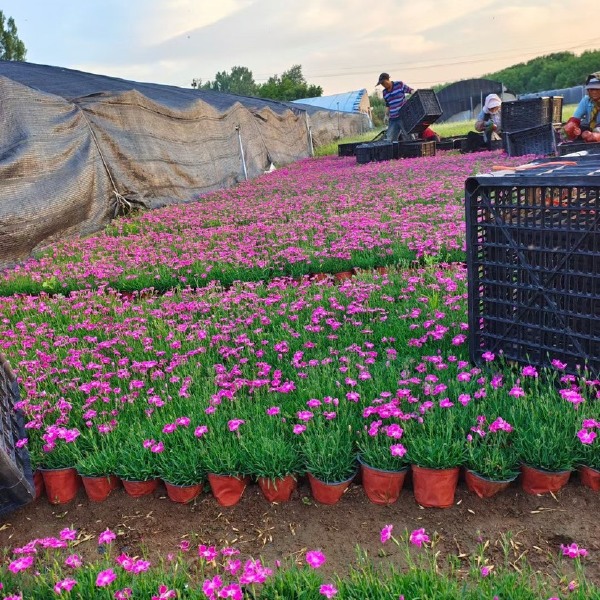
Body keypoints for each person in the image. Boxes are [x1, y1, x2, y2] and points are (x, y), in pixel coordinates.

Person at [376, 72, 414, 141]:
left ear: (388, 80)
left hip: (403, 116)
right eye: (381, 84)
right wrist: (386, 115)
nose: (383, 85)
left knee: (409, 137)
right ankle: (393, 151)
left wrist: (414, 93)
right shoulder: (384, 93)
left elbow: (410, 90)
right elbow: (388, 105)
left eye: (383, 83)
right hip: (393, 119)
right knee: (390, 139)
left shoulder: (399, 84)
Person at [563, 73, 600, 143]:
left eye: (597, 89)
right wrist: (572, 126)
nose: (594, 92)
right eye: (591, 89)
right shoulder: (586, 100)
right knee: (570, 130)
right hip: (589, 127)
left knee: (592, 138)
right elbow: (575, 118)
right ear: (588, 91)